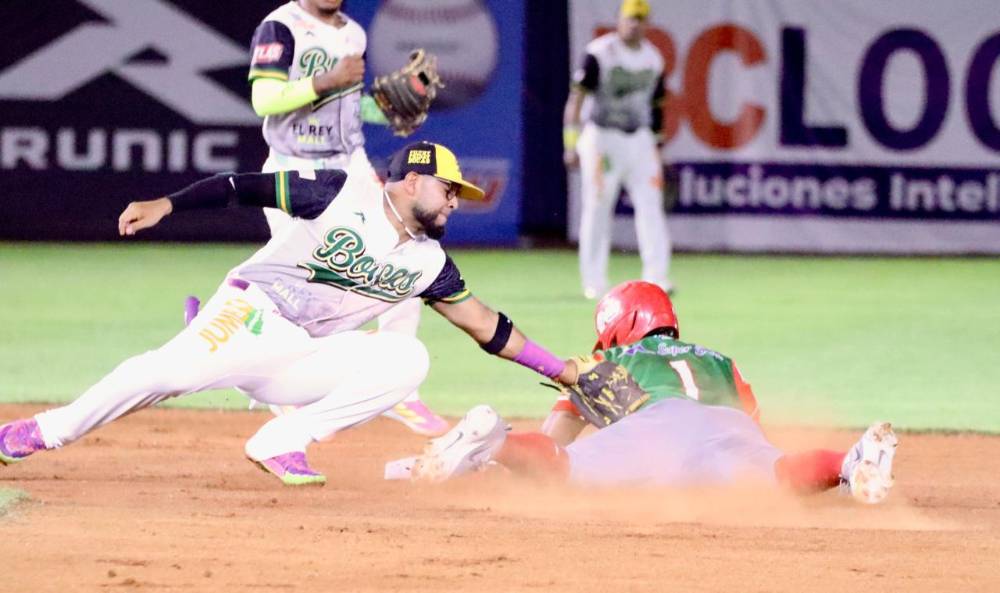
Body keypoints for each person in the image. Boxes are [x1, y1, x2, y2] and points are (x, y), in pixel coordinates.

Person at [0, 142, 578, 487]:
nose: (455, 200)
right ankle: (41, 431)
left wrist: (562, 371)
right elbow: (238, 187)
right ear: (412, 180)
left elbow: (485, 325)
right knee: (166, 374)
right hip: (253, 311)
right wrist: (167, 205)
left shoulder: (430, 263)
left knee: (408, 358)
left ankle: (282, 438)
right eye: (448, 188)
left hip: (303, 357)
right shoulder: (338, 194)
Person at [408, 281, 899, 505]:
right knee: (778, 474)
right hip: (729, 429)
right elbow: (755, 429)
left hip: (658, 426)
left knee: (566, 473)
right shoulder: (720, 360)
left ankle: (493, 440)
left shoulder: (612, 360)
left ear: (621, 327)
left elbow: (557, 437)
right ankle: (849, 462)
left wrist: (509, 464)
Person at [246, 0, 447, 435]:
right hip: (294, 170)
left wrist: (391, 109)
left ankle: (399, 387)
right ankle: (276, 384)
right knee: (303, 285)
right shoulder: (280, 27)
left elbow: (348, 107)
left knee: (404, 263)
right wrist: (326, 80)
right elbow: (264, 100)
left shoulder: (354, 33)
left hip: (349, 167)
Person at [563, 0, 673, 300]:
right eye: (630, 18)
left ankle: (657, 277)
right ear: (619, 20)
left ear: (647, 24)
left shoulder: (653, 58)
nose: (634, 24)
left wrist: (658, 147)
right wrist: (571, 144)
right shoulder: (600, 53)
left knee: (651, 206)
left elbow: (657, 108)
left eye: (640, 19)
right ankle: (594, 281)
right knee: (598, 207)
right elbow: (576, 101)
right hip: (602, 138)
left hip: (639, 139)